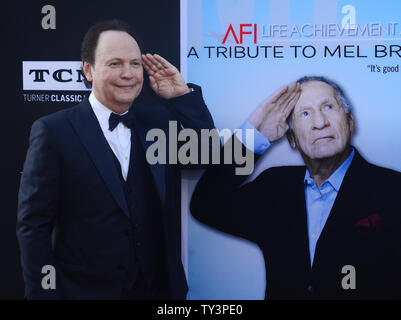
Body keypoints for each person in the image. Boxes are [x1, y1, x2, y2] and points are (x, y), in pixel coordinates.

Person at [17, 19, 214, 300]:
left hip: (157, 291)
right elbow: (33, 226)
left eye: (135, 64)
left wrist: (182, 98)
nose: (128, 74)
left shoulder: (157, 123)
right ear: (88, 70)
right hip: (83, 292)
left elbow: (207, 153)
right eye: (115, 64)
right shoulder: (54, 131)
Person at [190, 77, 401, 299]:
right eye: (305, 113)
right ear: (291, 138)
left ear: (350, 121)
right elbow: (207, 204)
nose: (320, 122)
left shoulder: (394, 189)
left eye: (328, 107)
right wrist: (254, 135)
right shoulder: (275, 187)